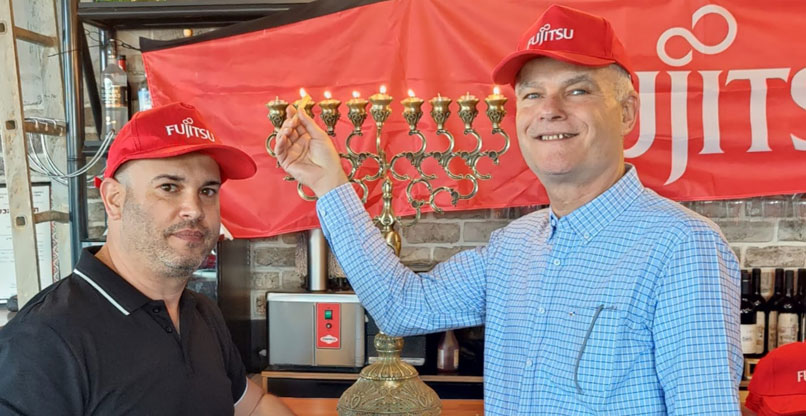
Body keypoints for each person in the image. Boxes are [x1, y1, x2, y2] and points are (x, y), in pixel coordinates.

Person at [274, 4, 742, 415]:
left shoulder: (683, 246)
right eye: (532, 94)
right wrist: (329, 182)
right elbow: (401, 308)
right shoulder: (513, 245)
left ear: (626, 112)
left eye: (577, 90)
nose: (549, 110)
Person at [0, 102, 294, 416]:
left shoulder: (201, 313)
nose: (194, 210)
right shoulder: (42, 340)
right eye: (169, 187)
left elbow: (253, 406)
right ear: (114, 199)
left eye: (207, 191)